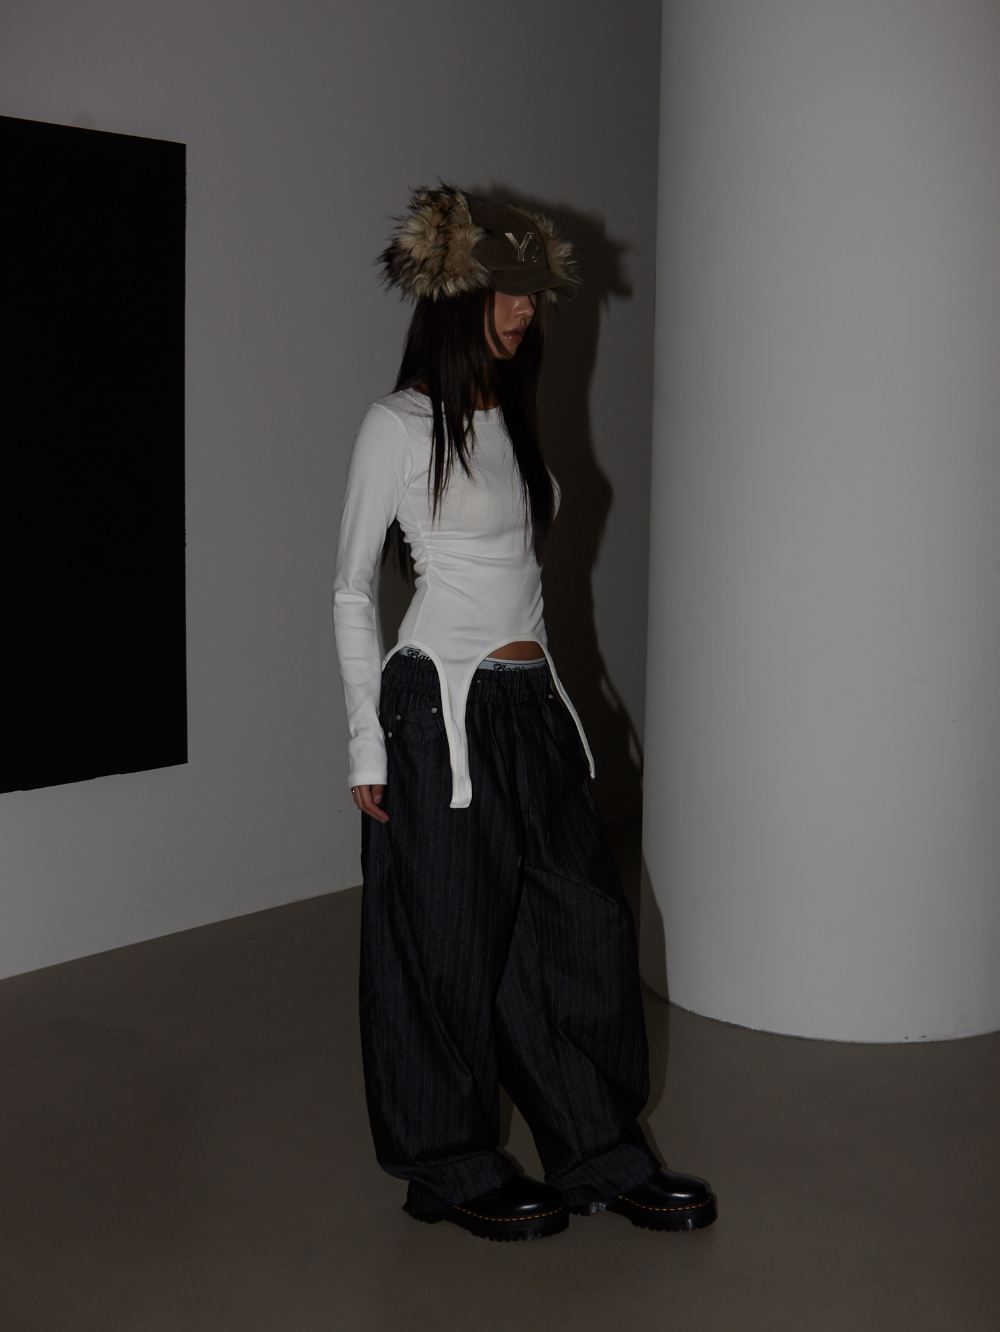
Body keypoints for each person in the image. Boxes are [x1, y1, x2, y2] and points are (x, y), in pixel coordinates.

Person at [333, 185, 717, 1242]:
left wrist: (552, 703)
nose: (522, 310)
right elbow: (352, 589)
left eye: (532, 295)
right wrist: (367, 742)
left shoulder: (507, 415)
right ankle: (448, 1167)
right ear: (454, 296)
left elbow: (524, 577)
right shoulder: (397, 424)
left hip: (529, 705)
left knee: (576, 928)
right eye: (504, 292)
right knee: (444, 946)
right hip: (437, 711)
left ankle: (599, 1152)